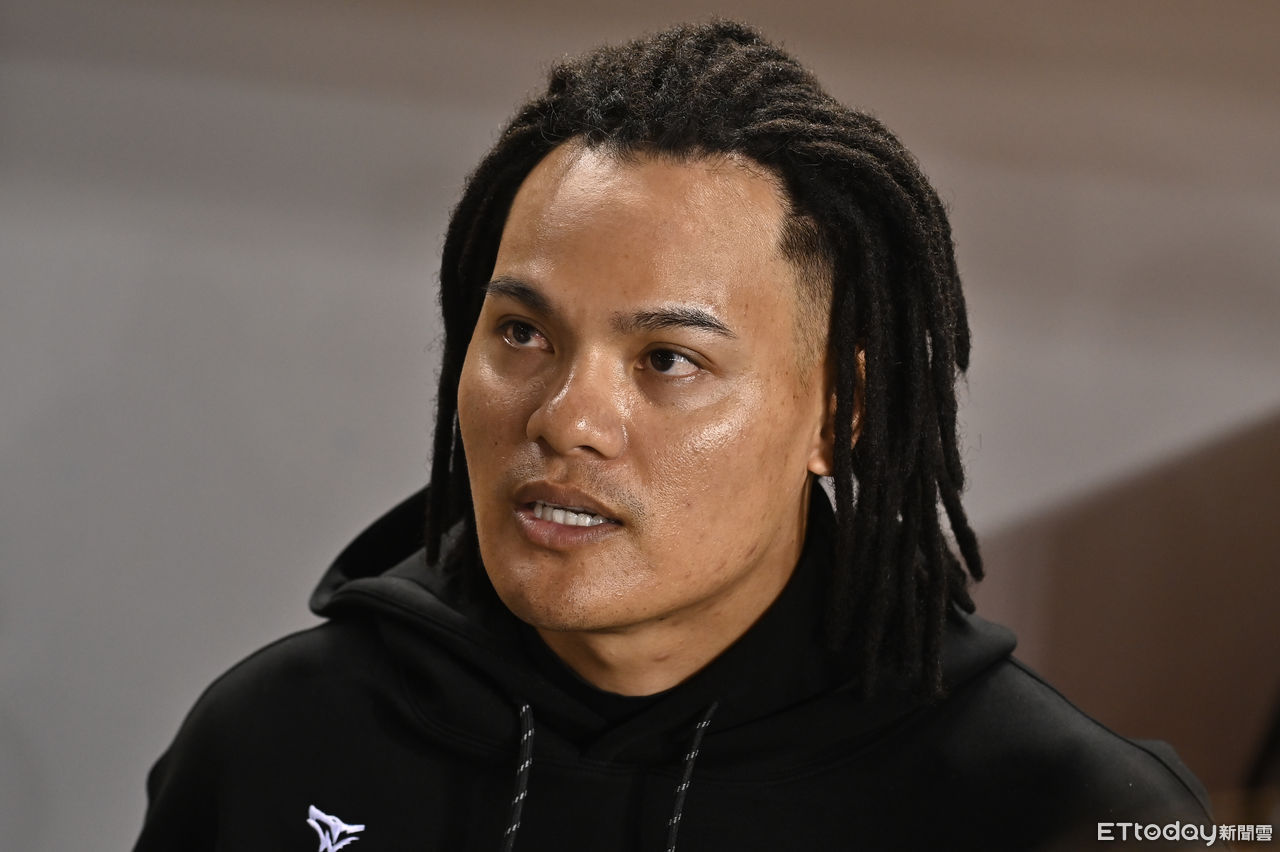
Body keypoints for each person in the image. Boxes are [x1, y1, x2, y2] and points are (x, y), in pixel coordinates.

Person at [134, 21, 1215, 851]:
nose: (565, 418)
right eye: (521, 334)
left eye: (667, 360)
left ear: (838, 415)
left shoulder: (1063, 813)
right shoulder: (273, 743)